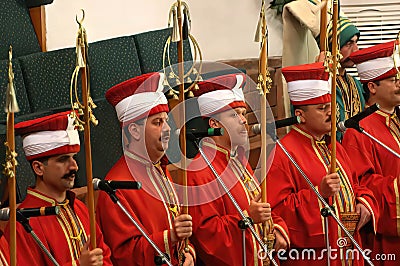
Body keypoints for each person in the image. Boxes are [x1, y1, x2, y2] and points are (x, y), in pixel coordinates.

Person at [267, 62, 379, 265]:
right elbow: (277, 212)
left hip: (348, 249)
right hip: (315, 256)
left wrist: (363, 202)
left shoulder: (333, 145)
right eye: (322, 108)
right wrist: (319, 194)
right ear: (300, 115)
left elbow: (356, 186)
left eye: (331, 107)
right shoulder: (283, 152)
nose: (330, 113)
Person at [187, 73, 290, 266]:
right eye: (235, 114)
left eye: (243, 113)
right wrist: (248, 218)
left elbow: (260, 206)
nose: (244, 120)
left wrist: (275, 226)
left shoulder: (238, 159)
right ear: (214, 123)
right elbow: (207, 236)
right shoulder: (199, 170)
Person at [96, 72, 195, 265]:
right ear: (134, 130)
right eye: (157, 122)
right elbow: (124, 255)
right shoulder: (116, 186)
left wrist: (188, 253)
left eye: (166, 120)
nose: (167, 128)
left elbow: (181, 229)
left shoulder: (160, 169)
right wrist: (171, 237)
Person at [5, 111, 112, 266]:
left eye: (73, 157)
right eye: (63, 160)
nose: (74, 166)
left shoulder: (80, 208)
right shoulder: (21, 225)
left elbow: (104, 255)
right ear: (38, 168)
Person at [342, 40, 400, 264]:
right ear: (372, 87)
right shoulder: (358, 130)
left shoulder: (395, 119)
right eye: (393, 81)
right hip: (384, 242)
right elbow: (360, 184)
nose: (398, 85)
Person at [317, 16, 365, 141]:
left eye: (356, 43)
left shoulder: (355, 84)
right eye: (349, 44)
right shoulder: (320, 85)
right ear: (333, 48)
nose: (356, 49)